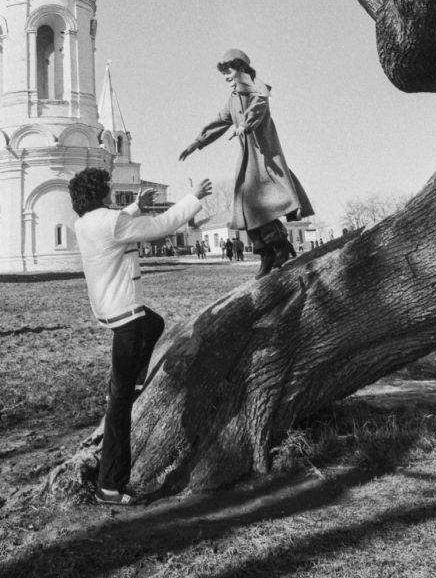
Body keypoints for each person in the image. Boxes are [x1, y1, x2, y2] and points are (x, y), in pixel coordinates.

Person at [69, 166, 212, 507]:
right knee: (118, 407)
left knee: (156, 323)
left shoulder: (83, 222)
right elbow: (160, 226)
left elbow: (115, 224)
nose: (109, 192)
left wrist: (134, 206)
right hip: (126, 318)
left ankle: (133, 380)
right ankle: (110, 485)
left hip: (114, 312)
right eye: (107, 188)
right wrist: (194, 198)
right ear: (99, 193)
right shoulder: (110, 221)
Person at [179, 48, 313, 279]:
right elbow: (220, 122)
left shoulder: (257, 87)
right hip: (247, 157)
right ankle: (265, 252)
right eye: (223, 73)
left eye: (228, 71)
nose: (226, 77)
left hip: (264, 156)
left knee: (261, 202)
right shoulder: (232, 98)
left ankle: (279, 245)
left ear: (241, 68)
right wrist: (196, 143)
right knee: (243, 203)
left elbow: (258, 108)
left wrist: (245, 125)